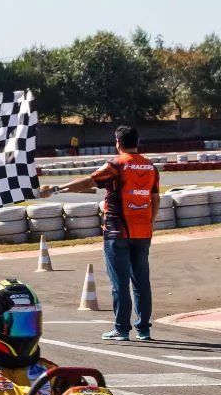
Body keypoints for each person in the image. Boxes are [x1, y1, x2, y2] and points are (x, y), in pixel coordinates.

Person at [40, 125, 160, 341]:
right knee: (142, 281)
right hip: (143, 231)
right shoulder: (150, 166)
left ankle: (121, 329)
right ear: (137, 141)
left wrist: (58, 189)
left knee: (120, 283)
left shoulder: (116, 165)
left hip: (117, 231)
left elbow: (89, 181)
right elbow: (155, 199)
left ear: (118, 143)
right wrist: (149, 221)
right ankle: (143, 329)